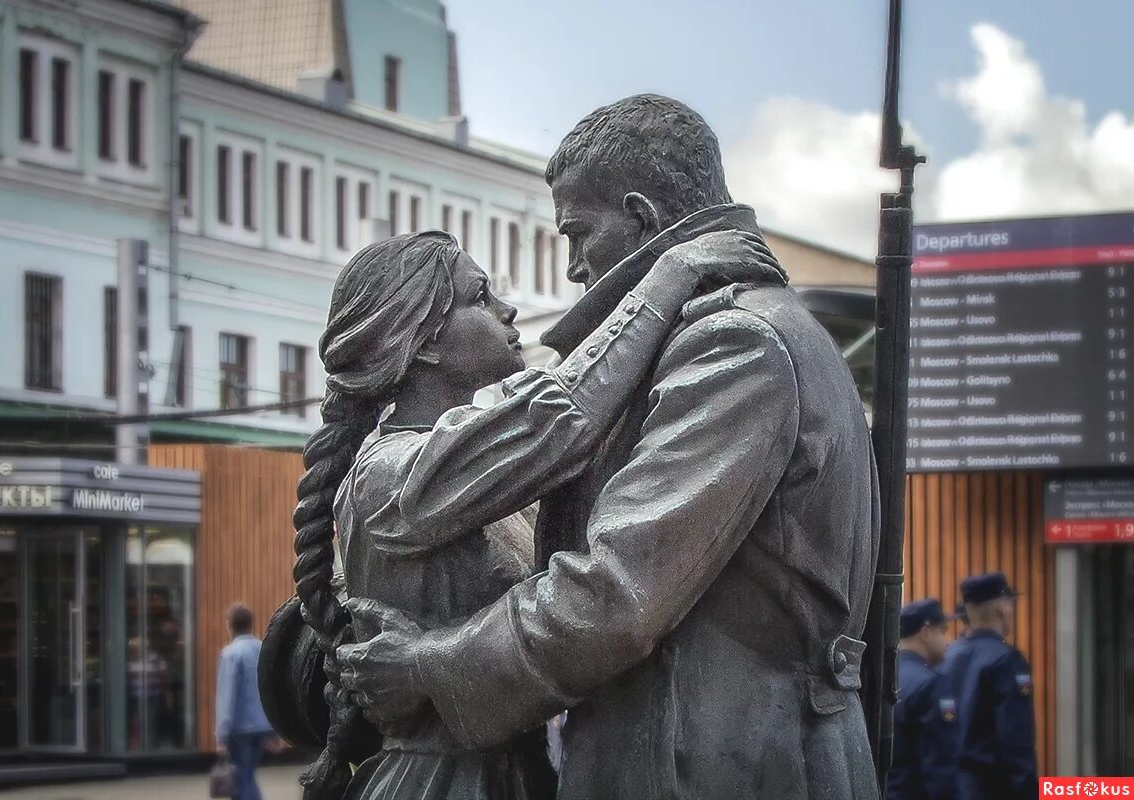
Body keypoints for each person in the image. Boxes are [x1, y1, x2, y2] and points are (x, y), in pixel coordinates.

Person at [336, 95, 880, 799]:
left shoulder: (733, 342)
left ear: (643, 218)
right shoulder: (736, 331)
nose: (570, 270)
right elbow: (553, 421)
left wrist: (429, 667)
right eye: (481, 296)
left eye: (578, 233)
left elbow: (615, 592)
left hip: (714, 766)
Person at [283, 230, 769, 800]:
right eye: (480, 296)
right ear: (424, 344)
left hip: (513, 773)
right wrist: (670, 274)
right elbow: (560, 417)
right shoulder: (391, 475)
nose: (506, 309)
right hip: (443, 784)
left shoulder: (480, 477)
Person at [941, 572, 1036, 800]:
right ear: (1002, 609)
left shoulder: (946, 657)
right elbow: (1015, 742)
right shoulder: (1006, 662)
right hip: (992, 790)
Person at [888, 599, 959, 800]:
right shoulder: (929, 685)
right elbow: (940, 765)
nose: (946, 642)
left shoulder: (881, 678)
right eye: (942, 631)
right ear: (925, 631)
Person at [216, 603, 275, 800]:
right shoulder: (261, 649)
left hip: (240, 728)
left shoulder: (231, 654)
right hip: (262, 724)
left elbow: (227, 696)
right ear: (250, 624)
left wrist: (222, 734)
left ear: (229, 625)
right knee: (247, 775)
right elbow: (269, 687)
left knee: (242, 779)